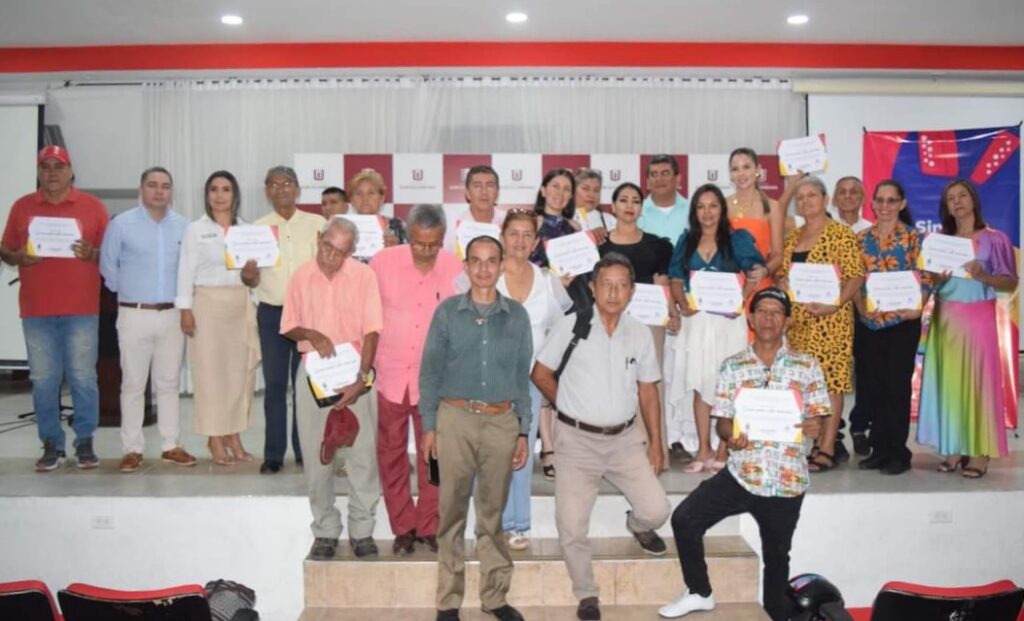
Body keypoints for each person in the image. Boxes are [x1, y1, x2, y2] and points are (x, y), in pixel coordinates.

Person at [660, 287, 829, 621]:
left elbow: (818, 419)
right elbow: (723, 420)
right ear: (750, 319)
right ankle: (699, 592)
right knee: (685, 519)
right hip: (742, 473)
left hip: (786, 481)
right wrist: (730, 436)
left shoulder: (807, 366)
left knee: (777, 559)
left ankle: (775, 614)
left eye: (776, 312)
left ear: (787, 321)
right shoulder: (733, 366)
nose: (768, 318)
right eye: (762, 311)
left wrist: (815, 426)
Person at [532, 252, 671, 621]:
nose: (613, 292)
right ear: (592, 288)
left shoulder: (639, 332)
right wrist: (565, 403)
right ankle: (587, 594)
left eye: (621, 285)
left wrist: (656, 444)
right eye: (606, 285)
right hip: (576, 443)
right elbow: (540, 372)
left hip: (625, 441)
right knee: (571, 526)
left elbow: (648, 390)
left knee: (657, 510)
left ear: (631, 291)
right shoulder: (573, 324)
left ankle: (637, 526)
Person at [420, 235, 532, 621]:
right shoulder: (448, 312)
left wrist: (522, 430)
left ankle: (495, 597)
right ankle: (448, 601)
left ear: (501, 266)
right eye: (476, 261)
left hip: (501, 422)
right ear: (465, 266)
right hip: (455, 420)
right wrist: (430, 426)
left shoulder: (517, 316)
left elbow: (521, 377)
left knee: (492, 513)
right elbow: (430, 373)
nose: (484, 268)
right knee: (451, 511)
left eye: (491, 261)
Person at [281, 217, 383, 559]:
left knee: (362, 455)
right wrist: (310, 333)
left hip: (354, 372)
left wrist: (362, 378)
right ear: (319, 238)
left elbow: (372, 331)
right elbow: (288, 325)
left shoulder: (365, 277)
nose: (331, 256)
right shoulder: (300, 276)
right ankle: (325, 528)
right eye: (327, 247)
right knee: (316, 455)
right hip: (313, 374)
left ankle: (362, 529)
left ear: (351, 252)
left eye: (340, 252)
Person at [1, 145, 108, 471]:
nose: (52, 172)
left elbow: (111, 252)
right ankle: (51, 442)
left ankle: (85, 440)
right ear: (38, 172)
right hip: (37, 310)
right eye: (45, 167)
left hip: (81, 309)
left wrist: (92, 253)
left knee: (83, 378)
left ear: (70, 171)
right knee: (44, 380)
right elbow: (5, 249)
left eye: (58, 166)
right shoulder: (22, 206)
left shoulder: (92, 207)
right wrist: (19, 257)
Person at [369, 204, 462, 556]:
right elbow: (368, 315)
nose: (425, 251)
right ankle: (403, 527)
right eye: (419, 243)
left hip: (436, 380)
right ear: (408, 235)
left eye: (433, 244)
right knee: (391, 454)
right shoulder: (382, 263)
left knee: (434, 455)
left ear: (442, 238)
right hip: (390, 373)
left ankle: (430, 525)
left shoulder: (455, 268)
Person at [917, 179, 1018, 479]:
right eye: (951, 198)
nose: (957, 201)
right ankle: (953, 448)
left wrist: (984, 275)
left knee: (978, 383)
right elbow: (930, 284)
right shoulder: (938, 241)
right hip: (945, 319)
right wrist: (935, 278)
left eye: (962, 195)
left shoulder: (995, 239)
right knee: (949, 385)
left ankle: (978, 452)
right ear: (946, 207)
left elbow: (1010, 281)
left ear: (973, 200)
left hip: (978, 319)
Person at [100, 166, 194, 472]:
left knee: (168, 382)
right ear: (141, 190)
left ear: (171, 192)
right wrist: (130, 292)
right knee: (133, 384)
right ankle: (132, 448)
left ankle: (170, 445)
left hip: (172, 315)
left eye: (165, 186)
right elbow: (108, 266)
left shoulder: (184, 227)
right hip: (133, 313)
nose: (159, 191)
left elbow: (189, 269)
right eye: (152, 185)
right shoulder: (121, 224)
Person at [668, 184, 766, 474]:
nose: (707, 212)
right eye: (701, 206)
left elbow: (756, 271)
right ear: (694, 211)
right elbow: (676, 278)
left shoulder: (737, 239)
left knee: (727, 386)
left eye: (713, 206)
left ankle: (724, 450)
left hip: (728, 323)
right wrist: (682, 302)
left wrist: (742, 299)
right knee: (700, 384)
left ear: (722, 209)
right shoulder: (686, 240)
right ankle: (703, 448)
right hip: (697, 323)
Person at [776, 177, 865, 472]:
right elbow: (784, 275)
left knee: (831, 384)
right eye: (800, 197)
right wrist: (782, 281)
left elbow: (856, 276)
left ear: (825, 200)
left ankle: (827, 446)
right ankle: (813, 443)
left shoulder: (841, 234)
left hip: (831, 320)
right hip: (799, 324)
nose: (805, 201)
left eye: (811, 195)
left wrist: (835, 303)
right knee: (806, 385)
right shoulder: (793, 237)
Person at [497, 209, 573, 551]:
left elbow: (560, 328)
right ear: (502, 236)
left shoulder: (548, 280)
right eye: (513, 233)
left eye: (527, 235)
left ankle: (518, 523)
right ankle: (494, 521)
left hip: (530, 378)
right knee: (492, 451)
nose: (520, 240)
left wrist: (547, 367)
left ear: (537, 242)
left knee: (522, 449)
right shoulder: (486, 272)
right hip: (490, 377)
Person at [176, 171, 260, 465]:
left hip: (240, 305)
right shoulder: (195, 230)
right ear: (207, 195)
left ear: (235, 195)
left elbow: (254, 277)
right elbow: (185, 271)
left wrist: (252, 276)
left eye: (226, 189)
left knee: (238, 376)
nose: (220, 195)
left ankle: (234, 435)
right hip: (207, 306)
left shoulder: (247, 230)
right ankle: (214, 438)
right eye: (214, 189)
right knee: (210, 375)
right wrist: (185, 310)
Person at [249, 165, 326, 474]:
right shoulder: (257, 229)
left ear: (298, 189)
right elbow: (250, 279)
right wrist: (248, 274)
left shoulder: (318, 224)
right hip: (272, 315)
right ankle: (273, 455)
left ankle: (304, 449)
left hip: (309, 316)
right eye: (274, 184)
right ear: (266, 192)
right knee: (276, 386)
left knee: (305, 387)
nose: (280, 188)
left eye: (287, 183)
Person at [853, 180, 927, 476]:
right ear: (872, 203)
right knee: (873, 386)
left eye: (891, 200)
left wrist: (918, 307)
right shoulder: (860, 239)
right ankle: (879, 449)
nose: (885, 206)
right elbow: (853, 277)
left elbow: (928, 277)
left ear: (902, 204)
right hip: (869, 323)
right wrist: (860, 307)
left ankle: (898, 452)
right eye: (880, 200)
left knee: (896, 387)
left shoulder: (915, 238)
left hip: (902, 323)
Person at [601, 181, 678, 464]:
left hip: (649, 323)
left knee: (650, 383)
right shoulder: (599, 244)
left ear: (641, 208)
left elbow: (662, 282)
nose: (629, 206)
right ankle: (616, 454)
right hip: (609, 321)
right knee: (613, 382)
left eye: (635, 201)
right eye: (623, 200)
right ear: (613, 207)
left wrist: (672, 313)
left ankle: (654, 452)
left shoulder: (657, 244)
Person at [829, 176, 873, 456]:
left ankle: (860, 428)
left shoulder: (872, 230)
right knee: (833, 374)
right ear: (834, 199)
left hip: (864, 309)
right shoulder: (825, 228)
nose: (847, 196)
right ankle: (833, 434)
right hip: (831, 311)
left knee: (865, 371)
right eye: (842, 192)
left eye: (853, 191)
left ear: (862, 198)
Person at [725, 148, 785, 279]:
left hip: (759, 282)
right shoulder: (722, 205)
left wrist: (765, 271)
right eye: (735, 169)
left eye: (746, 167)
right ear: (731, 175)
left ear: (757, 170)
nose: (741, 174)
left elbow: (778, 255)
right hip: (728, 283)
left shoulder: (772, 207)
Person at [442, 165, 506, 255]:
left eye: (490, 186)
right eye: (477, 186)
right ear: (467, 193)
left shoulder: (508, 222)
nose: (484, 192)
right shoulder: (452, 226)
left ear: (497, 193)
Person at [530, 168, 581, 267]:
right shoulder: (531, 224)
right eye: (555, 186)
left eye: (567, 189)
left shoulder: (575, 227)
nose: (560, 193)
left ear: (571, 196)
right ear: (543, 190)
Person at [637, 154, 688, 247]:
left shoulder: (694, 210)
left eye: (665, 173)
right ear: (647, 182)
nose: (659, 179)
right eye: (654, 174)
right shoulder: (636, 212)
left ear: (677, 179)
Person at [348, 169, 406, 246]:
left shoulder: (397, 226)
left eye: (371, 193)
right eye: (359, 194)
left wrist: (396, 248)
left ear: (382, 198)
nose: (365, 199)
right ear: (351, 200)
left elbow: (410, 252)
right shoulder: (342, 227)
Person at [573, 168, 616, 244]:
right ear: (573, 191)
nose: (591, 195)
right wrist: (591, 236)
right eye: (585, 189)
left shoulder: (610, 220)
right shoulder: (562, 220)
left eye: (596, 190)